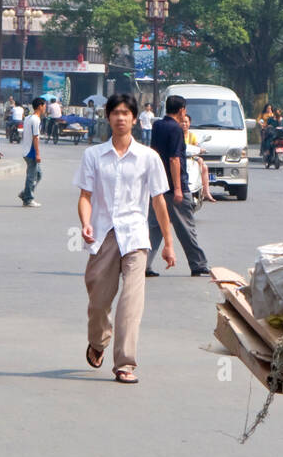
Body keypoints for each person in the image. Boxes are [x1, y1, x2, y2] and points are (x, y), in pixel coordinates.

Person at [74, 92, 176, 383]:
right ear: (108, 117)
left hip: (135, 237)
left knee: (131, 302)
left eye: (125, 113)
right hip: (104, 234)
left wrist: (168, 244)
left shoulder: (148, 157)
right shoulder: (93, 155)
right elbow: (84, 196)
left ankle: (125, 363)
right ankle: (98, 340)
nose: (120, 118)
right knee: (98, 302)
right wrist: (85, 223)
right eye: (115, 112)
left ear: (135, 118)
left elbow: (158, 202)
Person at [147, 93, 211, 278]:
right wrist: (177, 188)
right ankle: (198, 264)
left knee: (154, 226)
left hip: (157, 185)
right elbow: (175, 159)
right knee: (185, 226)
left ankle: (143, 264)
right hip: (175, 186)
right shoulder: (175, 129)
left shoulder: (157, 125)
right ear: (182, 110)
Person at [18, 97, 46, 207]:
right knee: (32, 176)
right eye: (44, 106)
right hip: (31, 152)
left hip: (26, 150)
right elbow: (35, 137)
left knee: (38, 174)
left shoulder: (28, 118)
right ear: (40, 106)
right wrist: (38, 153)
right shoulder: (35, 120)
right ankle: (28, 199)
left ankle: (25, 193)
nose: (45, 108)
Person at [182, 111, 215, 202]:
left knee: (203, 165)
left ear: (189, 123)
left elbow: (196, 147)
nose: (184, 124)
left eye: (186, 122)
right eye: (182, 122)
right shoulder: (177, 134)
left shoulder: (191, 136)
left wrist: (199, 149)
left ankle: (205, 191)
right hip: (180, 159)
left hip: (190, 158)